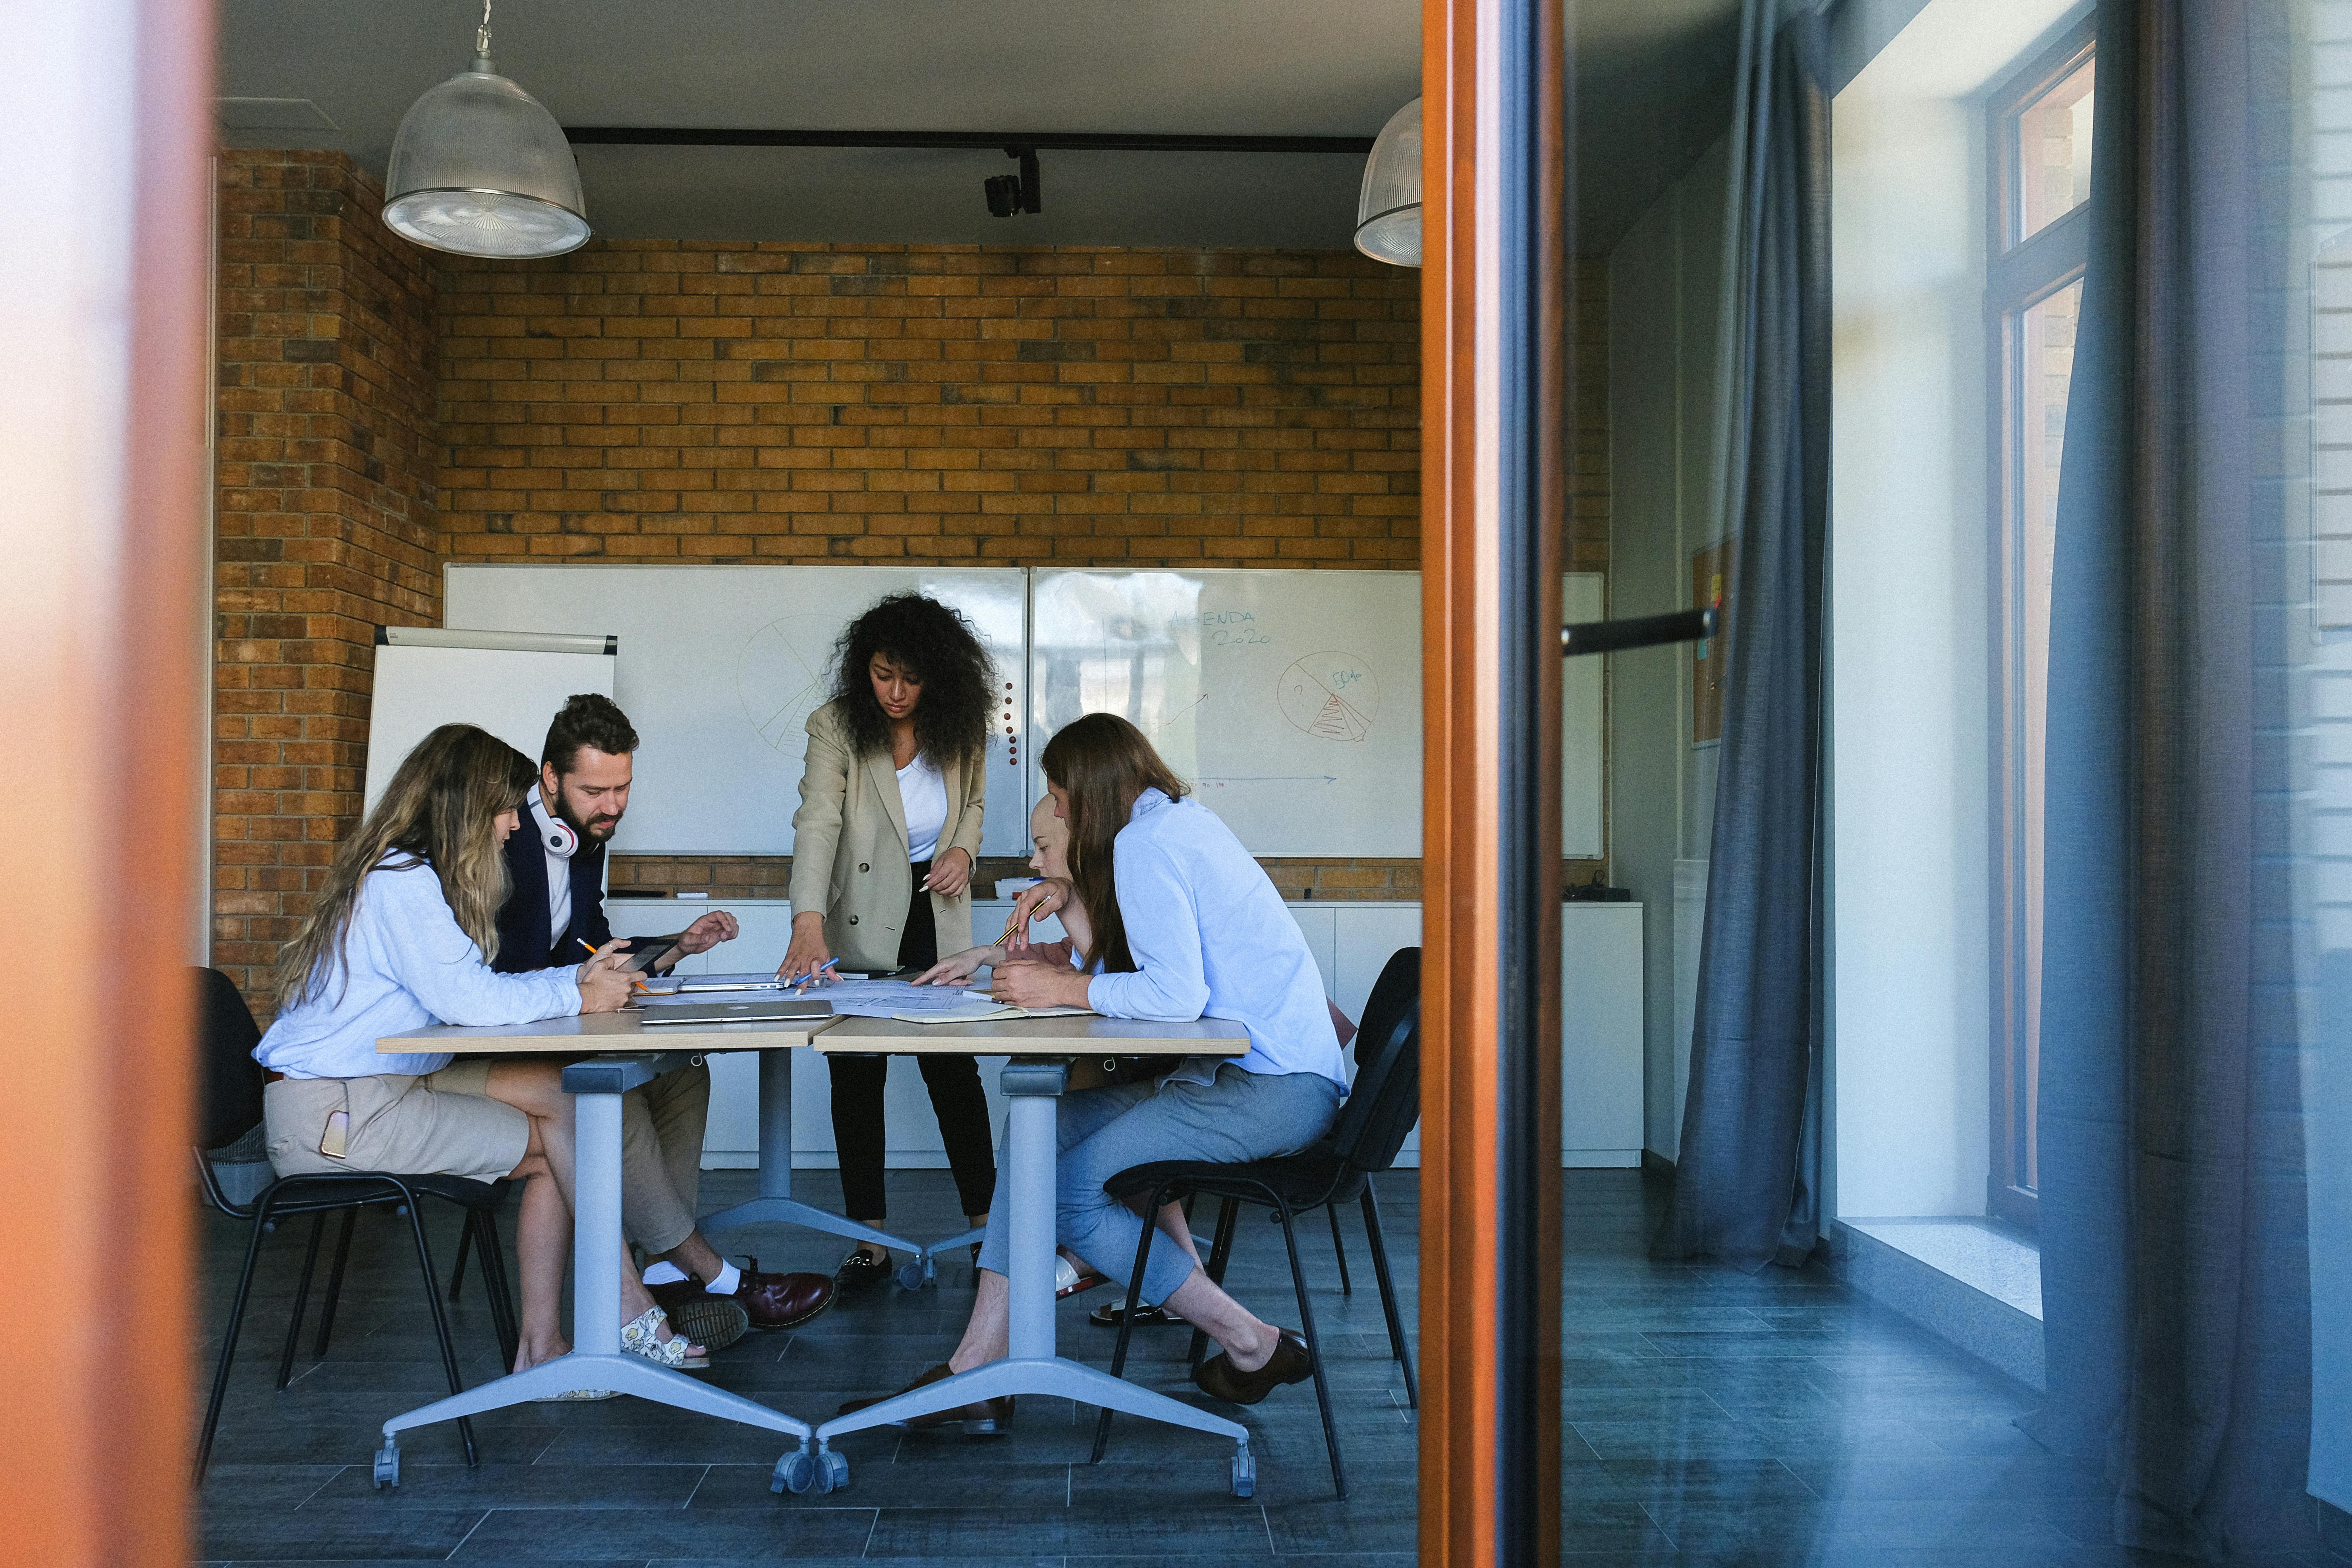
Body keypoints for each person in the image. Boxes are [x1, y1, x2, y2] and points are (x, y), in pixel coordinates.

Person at [844, 713, 1348, 1430]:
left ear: (1089, 789)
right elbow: (1141, 975)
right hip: (1255, 1077)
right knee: (1037, 1126)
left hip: (1272, 1091)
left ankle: (1252, 1341)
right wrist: (1071, 903)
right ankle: (978, 1367)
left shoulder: (1147, 843)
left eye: (1059, 793)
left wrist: (1063, 989)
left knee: (1072, 1195)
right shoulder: (1175, 824)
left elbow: (1175, 997)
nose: (1055, 808)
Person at [254, 724, 700, 1378]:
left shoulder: (413, 875)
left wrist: (581, 982)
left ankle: (556, 1343)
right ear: (464, 808)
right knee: (558, 1142)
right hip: (333, 1118)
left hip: (383, 1082)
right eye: (501, 809)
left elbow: (471, 989)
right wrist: (580, 994)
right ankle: (624, 1311)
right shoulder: (400, 883)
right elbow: (468, 1002)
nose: (513, 825)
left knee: (561, 1103)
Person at [492, 693, 833, 1347]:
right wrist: (584, 985)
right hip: (507, 1040)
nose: (612, 806)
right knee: (615, 1092)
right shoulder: (503, 842)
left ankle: (660, 1267)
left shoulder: (583, 837)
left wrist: (674, 948)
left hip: (560, 1020)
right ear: (549, 779)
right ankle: (712, 1272)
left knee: (682, 1074)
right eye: (595, 790)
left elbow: (593, 944)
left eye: (622, 788)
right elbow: (500, 972)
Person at [778, 594, 998, 1293]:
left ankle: (987, 1229)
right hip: (861, 915)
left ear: (939, 675)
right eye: (881, 675)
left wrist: (963, 850)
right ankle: (867, 1239)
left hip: (937, 911)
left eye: (911, 677)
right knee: (857, 1071)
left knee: (953, 1075)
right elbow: (817, 822)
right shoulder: (835, 724)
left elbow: (973, 807)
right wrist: (806, 920)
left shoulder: (961, 725)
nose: (896, 693)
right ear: (861, 670)